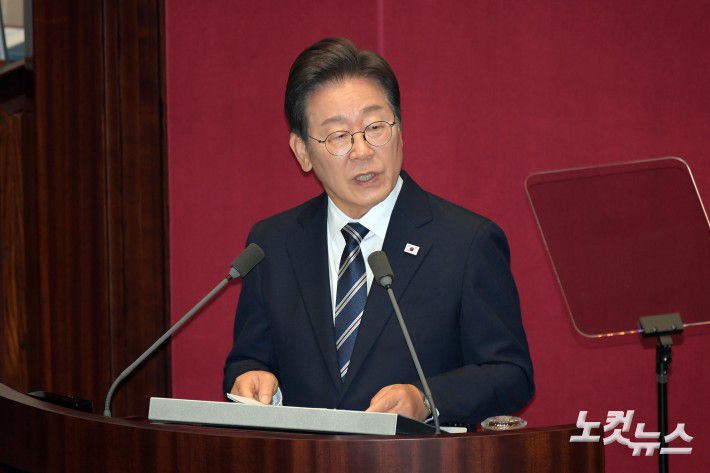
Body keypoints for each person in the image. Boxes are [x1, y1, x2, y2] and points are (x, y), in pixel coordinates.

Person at [223, 37, 533, 427]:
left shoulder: (466, 242)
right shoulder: (273, 244)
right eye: (338, 136)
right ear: (302, 151)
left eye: (374, 127)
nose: (362, 150)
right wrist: (252, 377)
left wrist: (426, 399)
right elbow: (249, 358)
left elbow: (511, 374)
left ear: (399, 130)